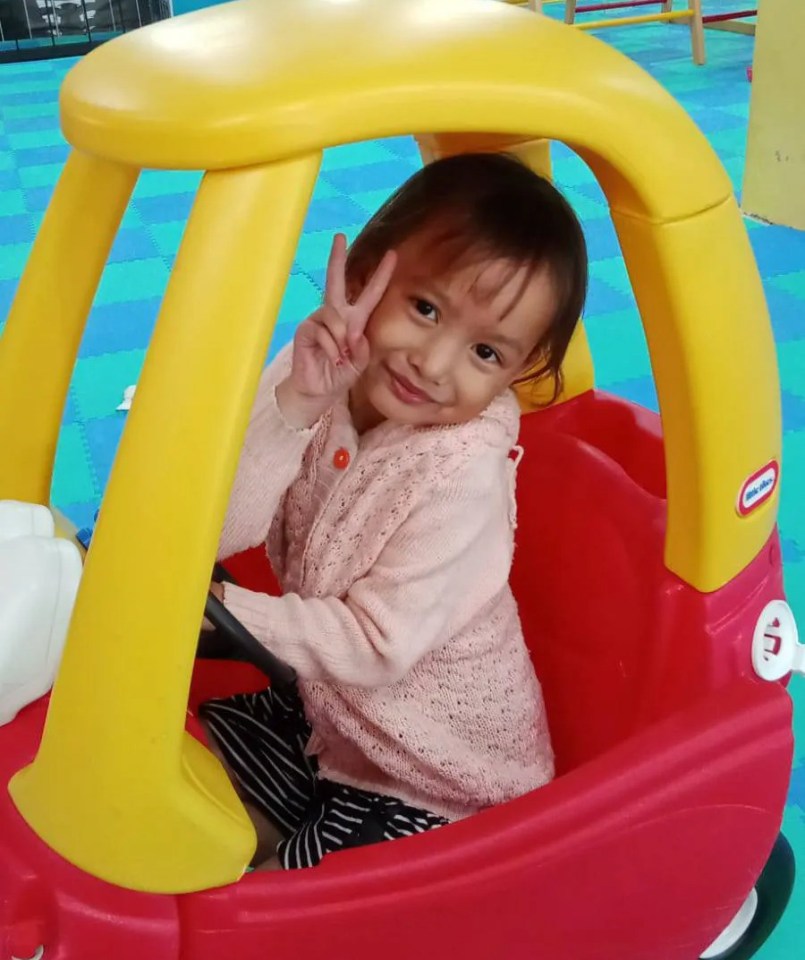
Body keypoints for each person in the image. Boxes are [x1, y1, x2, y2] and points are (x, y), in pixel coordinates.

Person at [199, 151, 588, 870]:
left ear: (518, 370)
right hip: (334, 713)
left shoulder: (461, 473)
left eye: (483, 352)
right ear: (364, 273)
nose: (433, 365)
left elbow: (377, 645)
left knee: (292, 901)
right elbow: (217, 532)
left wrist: (228, 608)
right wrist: (295, 406)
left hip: (436, 772)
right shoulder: (316, 366)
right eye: (424, 308)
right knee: (192, 770)